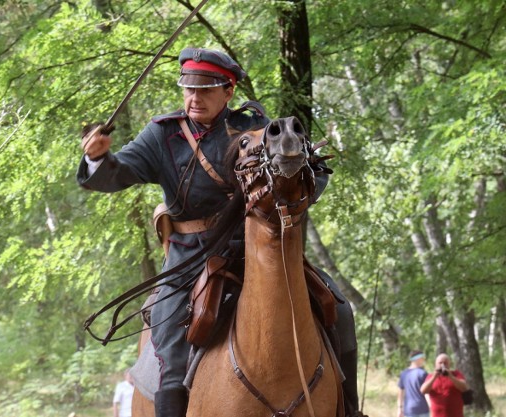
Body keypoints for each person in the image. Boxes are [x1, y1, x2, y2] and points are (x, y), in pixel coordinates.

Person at [77, 47, 361, 417]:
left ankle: (351, 409)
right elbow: (118, 173)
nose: (195, 98)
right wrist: (97, 158)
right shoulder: (162, 136)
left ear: (228, 92)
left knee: (337, 308)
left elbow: (311, 171)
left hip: (255, 248)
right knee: (170, 334)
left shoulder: (255, 128)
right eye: (189, 89)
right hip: (190, 258)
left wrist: (297, 189)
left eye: (206, 90)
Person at [420, 353, 469, 417]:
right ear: (436, 364)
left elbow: (464, 388)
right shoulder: (430, 376)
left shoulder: (456, 374)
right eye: (440, 363)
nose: (443, 365)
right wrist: (434, 377)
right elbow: (423, 391)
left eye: (445, 363)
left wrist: (450, 376)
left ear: (449, 364)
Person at [398, 349, 430, 417]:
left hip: (408, 409)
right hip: (422, 409)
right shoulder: (423, 373)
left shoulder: (404, 373)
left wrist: (400, 408)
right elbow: (427, 393)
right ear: (418, 359)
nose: (424, 360)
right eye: (422, 358)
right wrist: (431, 406)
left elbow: (400, 393)